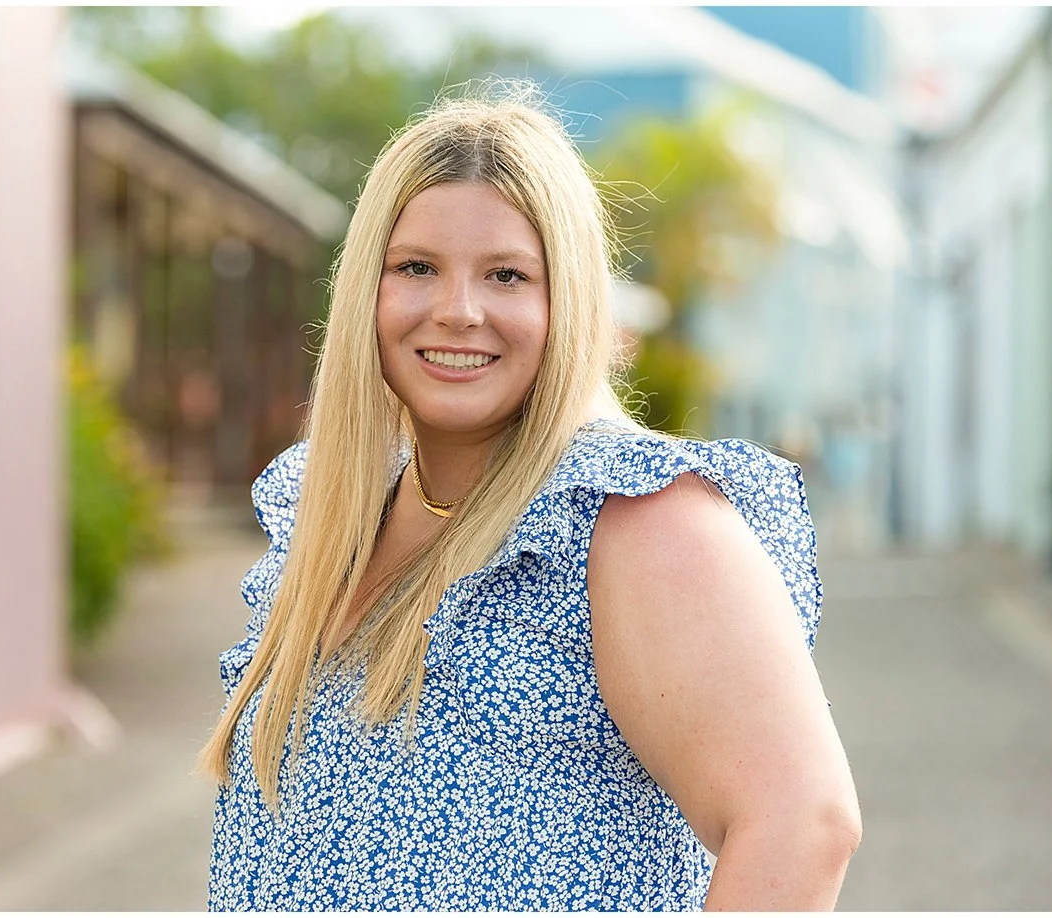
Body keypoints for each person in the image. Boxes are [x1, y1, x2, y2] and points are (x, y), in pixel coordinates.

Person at [200, 86, 861, 910]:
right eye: (417, 268)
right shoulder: (336, 513)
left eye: (507, 275)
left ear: (567, 301)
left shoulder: (632, 519)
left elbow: (802, 824)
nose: (458, 312)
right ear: (366, 288)